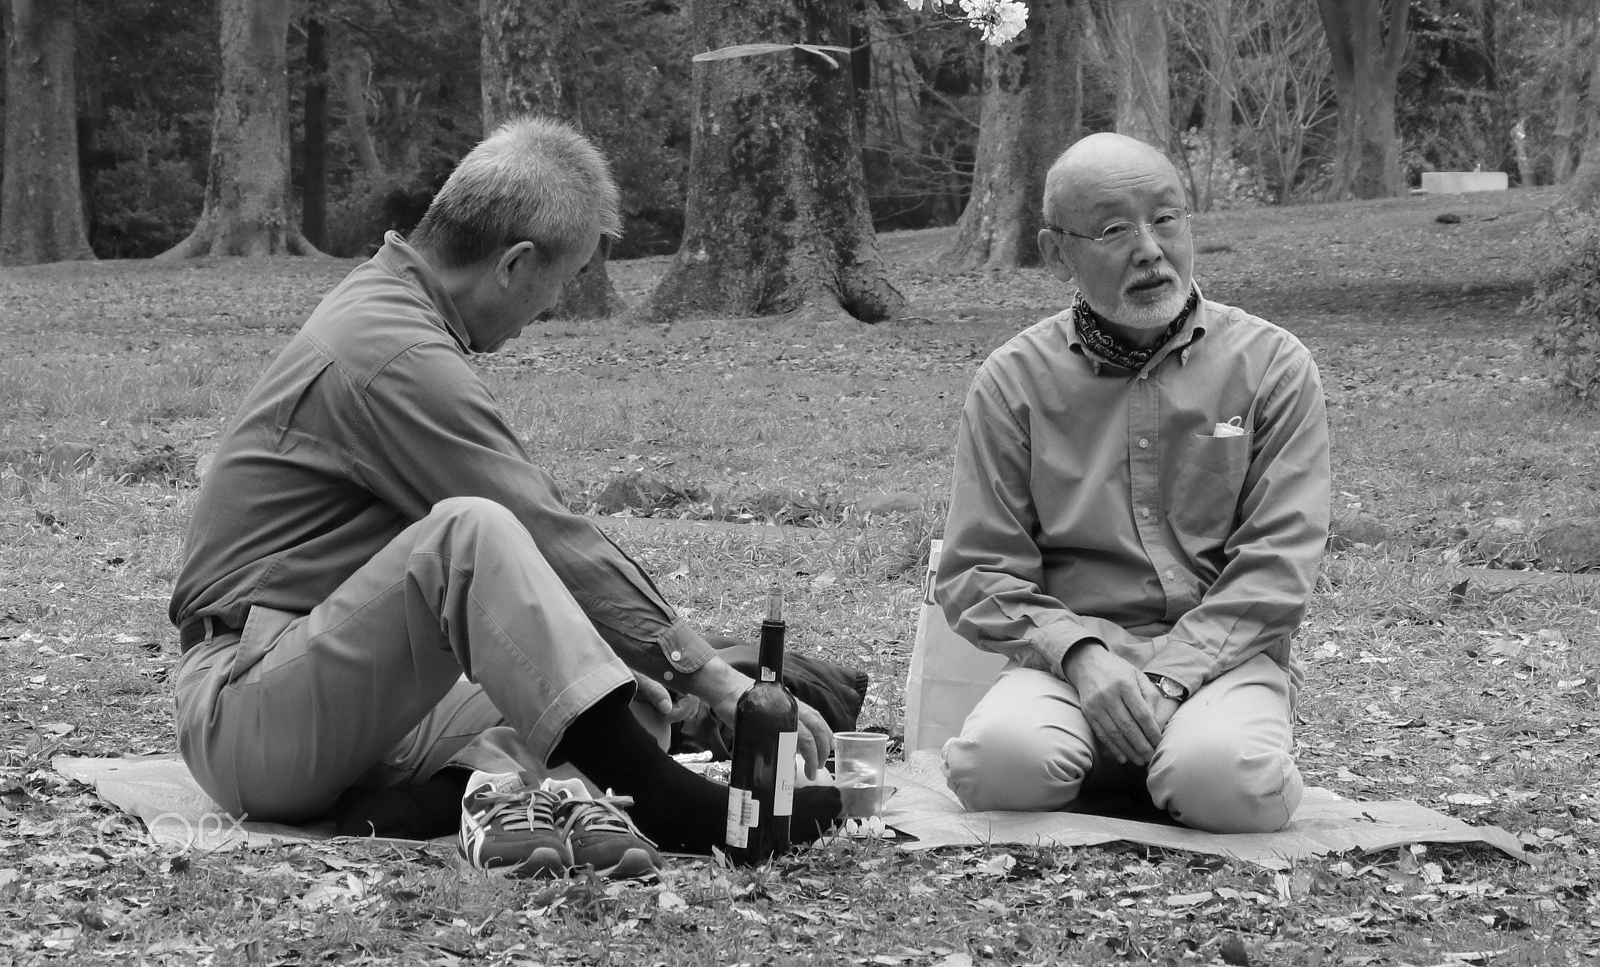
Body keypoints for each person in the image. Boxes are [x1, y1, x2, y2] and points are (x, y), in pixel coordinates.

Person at [169, 116, 840, 874]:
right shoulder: (393, 352)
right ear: (516, 264)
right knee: (472, 532)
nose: (550, 309)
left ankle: (424, 804)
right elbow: (541, 534)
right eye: (564, 282)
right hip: (248, 714)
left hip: (323, 699)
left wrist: (644, 671)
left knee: (617, 697)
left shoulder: (393, 308)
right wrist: (712, 675)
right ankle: (665, 804)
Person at [935, 132, 1330, 833]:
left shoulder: (1272, 365)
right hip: (1072, 660)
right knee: (995, 770)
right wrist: (1083, 657)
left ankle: (1184, 756)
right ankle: (1133, 762)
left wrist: (1170, 675)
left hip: (1222, 658)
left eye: (1167, 218)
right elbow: (980, 569)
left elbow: (1278, 564)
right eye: (1115, 229)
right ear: (1058, 249)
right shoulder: (1013, 381)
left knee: (1226, 784)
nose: (1149, 248)